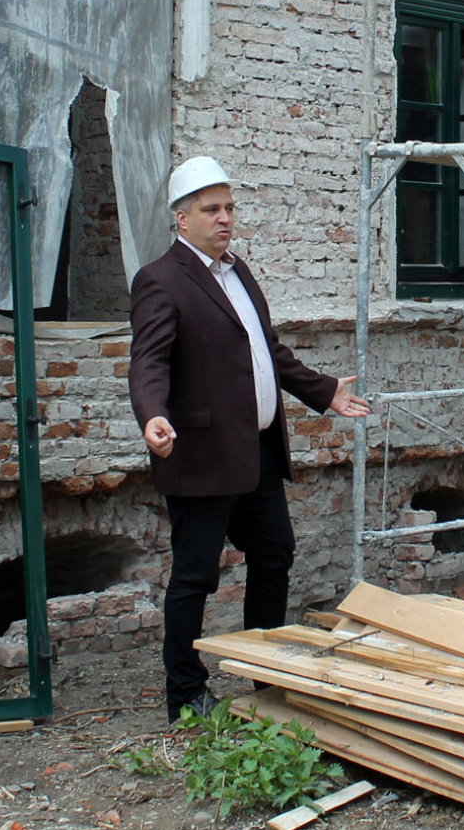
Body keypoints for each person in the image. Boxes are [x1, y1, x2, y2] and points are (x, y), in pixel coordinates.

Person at [128, 156, 370, 723]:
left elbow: (267, 352)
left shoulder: (239, 273)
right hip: (201, 455)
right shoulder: (161, 279)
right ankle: (186, 694)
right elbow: (149, 361)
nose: (225, 218)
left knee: (274, 554)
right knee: (195, 575)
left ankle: (266, 674)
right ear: (182, 219)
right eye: (211, 209)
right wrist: (152, 415)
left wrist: (323, 391)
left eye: (230, 208)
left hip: (256, 451)